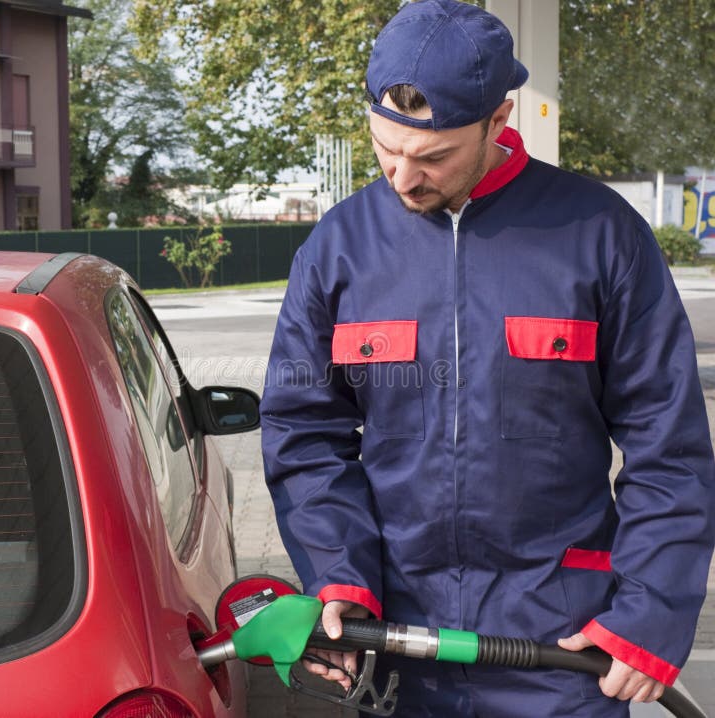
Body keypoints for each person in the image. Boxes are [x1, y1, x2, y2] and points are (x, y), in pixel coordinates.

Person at [259, 1, 715, 715]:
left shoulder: (600, 238)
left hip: (564, 654)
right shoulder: (338, 251)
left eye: (433, 156)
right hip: (398, 647)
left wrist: (650, 614)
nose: (403, 177)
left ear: (498, 121)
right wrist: (340, 577)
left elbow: (671, 448)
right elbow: (303, 433)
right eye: (386, 148)